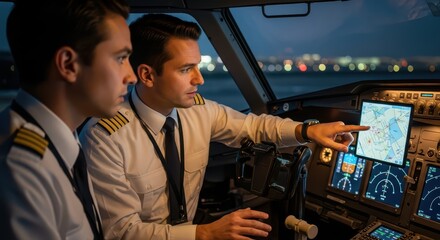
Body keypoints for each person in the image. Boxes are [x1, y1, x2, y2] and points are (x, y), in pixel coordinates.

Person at [79, 14, 369, 240]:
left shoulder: (198, 112)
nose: (199, 79)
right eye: (185, 70)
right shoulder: (105, 136)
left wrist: (307, 132)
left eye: (197, 66)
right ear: (147, 75)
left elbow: (254, 127)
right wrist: (205, 233)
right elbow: (121, 232)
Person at [0, 0, 137, 239]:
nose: (132, 76)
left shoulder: (62, 142)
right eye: (120, 58)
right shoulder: (20, 168)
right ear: (68, 64)